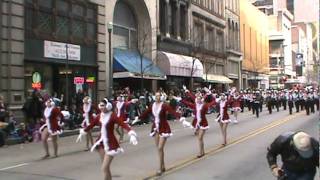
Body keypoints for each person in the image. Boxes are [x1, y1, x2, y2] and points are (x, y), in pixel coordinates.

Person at [77, 98, 138, 180]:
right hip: (101, 143)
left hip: (111, 144)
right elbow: (91, 125)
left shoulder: (112, 116)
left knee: (104, 168)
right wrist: (83, 131)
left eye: (103, 105)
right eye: (100, 105)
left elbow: (123, 124)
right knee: (106, 168)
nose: (101, 107)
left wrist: (131, 133)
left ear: (108, 106)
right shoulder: (99, 116)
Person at [136, 91, 182, 175]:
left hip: (163, 127)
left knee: (160, 148)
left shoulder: (164, 105)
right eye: (156, 96)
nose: (157, 97)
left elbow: (171, 111)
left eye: (159, 96)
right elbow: (146, 112)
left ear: (161, 97)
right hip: (155, 127)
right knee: (159, 149)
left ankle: (160, 168)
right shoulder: (152, 105)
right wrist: (138, 118)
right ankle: (163, 166)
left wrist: (179, 117)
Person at [181, 86, 216, 158]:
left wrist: (210, 94)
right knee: (200, 138)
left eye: (200, 99)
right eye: (197, 99)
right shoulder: (195, 105)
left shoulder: (205, 106)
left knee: (200, 138)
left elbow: (213, 102)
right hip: (198, 123)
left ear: (202, 99)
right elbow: (189, 101)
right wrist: (182, 98)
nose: (198, 100)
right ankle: (202, 152)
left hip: (203, 123)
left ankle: (201, 152)